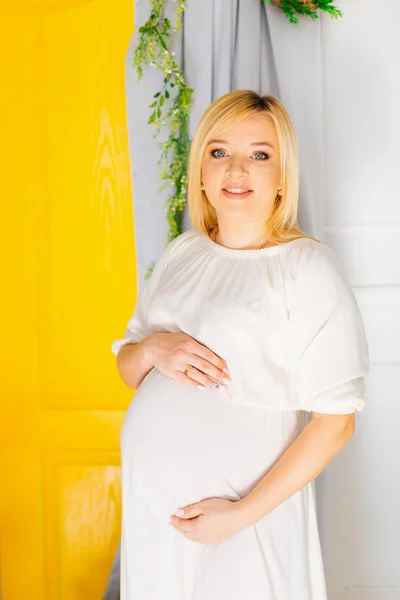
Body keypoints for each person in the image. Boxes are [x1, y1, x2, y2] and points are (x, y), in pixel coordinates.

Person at [111, 90, 370, 600]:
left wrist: (239, 516)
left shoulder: (306, 268)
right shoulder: (184, 252)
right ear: (202, 171)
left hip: (241, 513)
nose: (236, 170)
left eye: (259, 155)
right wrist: (152, 349)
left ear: (281, 177)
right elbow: (128, 364)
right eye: (218, 151)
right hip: (154, 507)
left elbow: (337, 422)